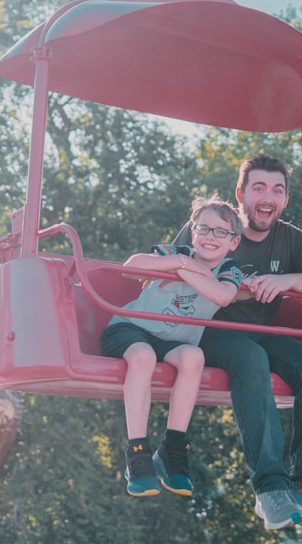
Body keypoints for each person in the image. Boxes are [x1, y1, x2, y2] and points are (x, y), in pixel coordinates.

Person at [174, 155, 302, 531]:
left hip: (260, 334)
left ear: (285, 199)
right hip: (205, 330)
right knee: (250, 357)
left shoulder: (288, 237)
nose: (267, 197)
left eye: (277, 190)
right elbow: (172, 266)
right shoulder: (215, 225)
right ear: (241, 194)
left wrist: (287, 280)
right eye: (259, 188)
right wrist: (227, 288)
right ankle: (269, 486)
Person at [100, 194, 243, 497]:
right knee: (142, 355)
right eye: (203, 228)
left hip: (173, 343)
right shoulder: (175, 252)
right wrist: (180, 262)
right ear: (193, 231)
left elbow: (223, 296)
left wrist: (185, 272)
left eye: (221, 231)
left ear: (234, 242)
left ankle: (172, 450)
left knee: (194, 357)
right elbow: (131, 267)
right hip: (130, 329)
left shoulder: (230, 270)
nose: (210, 236)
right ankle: (137, 454)